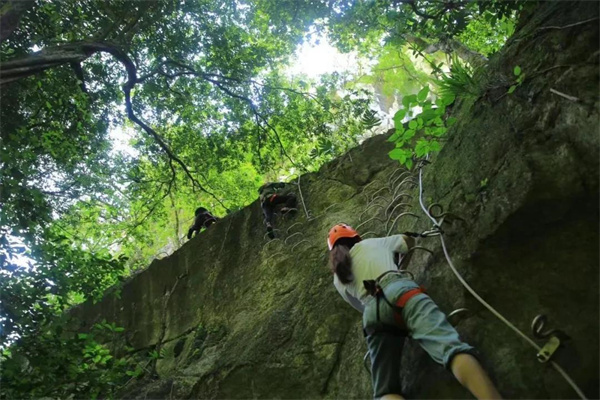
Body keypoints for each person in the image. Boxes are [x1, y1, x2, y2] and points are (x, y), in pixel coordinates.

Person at [327, 223, 502, 400]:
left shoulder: (338, 278)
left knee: (385, 391)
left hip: (373, 312)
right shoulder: (371, 243)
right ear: (355, 237)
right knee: (450, 349)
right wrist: (400, 269)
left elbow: (359, 306)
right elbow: (406, 241)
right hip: (400, 289)